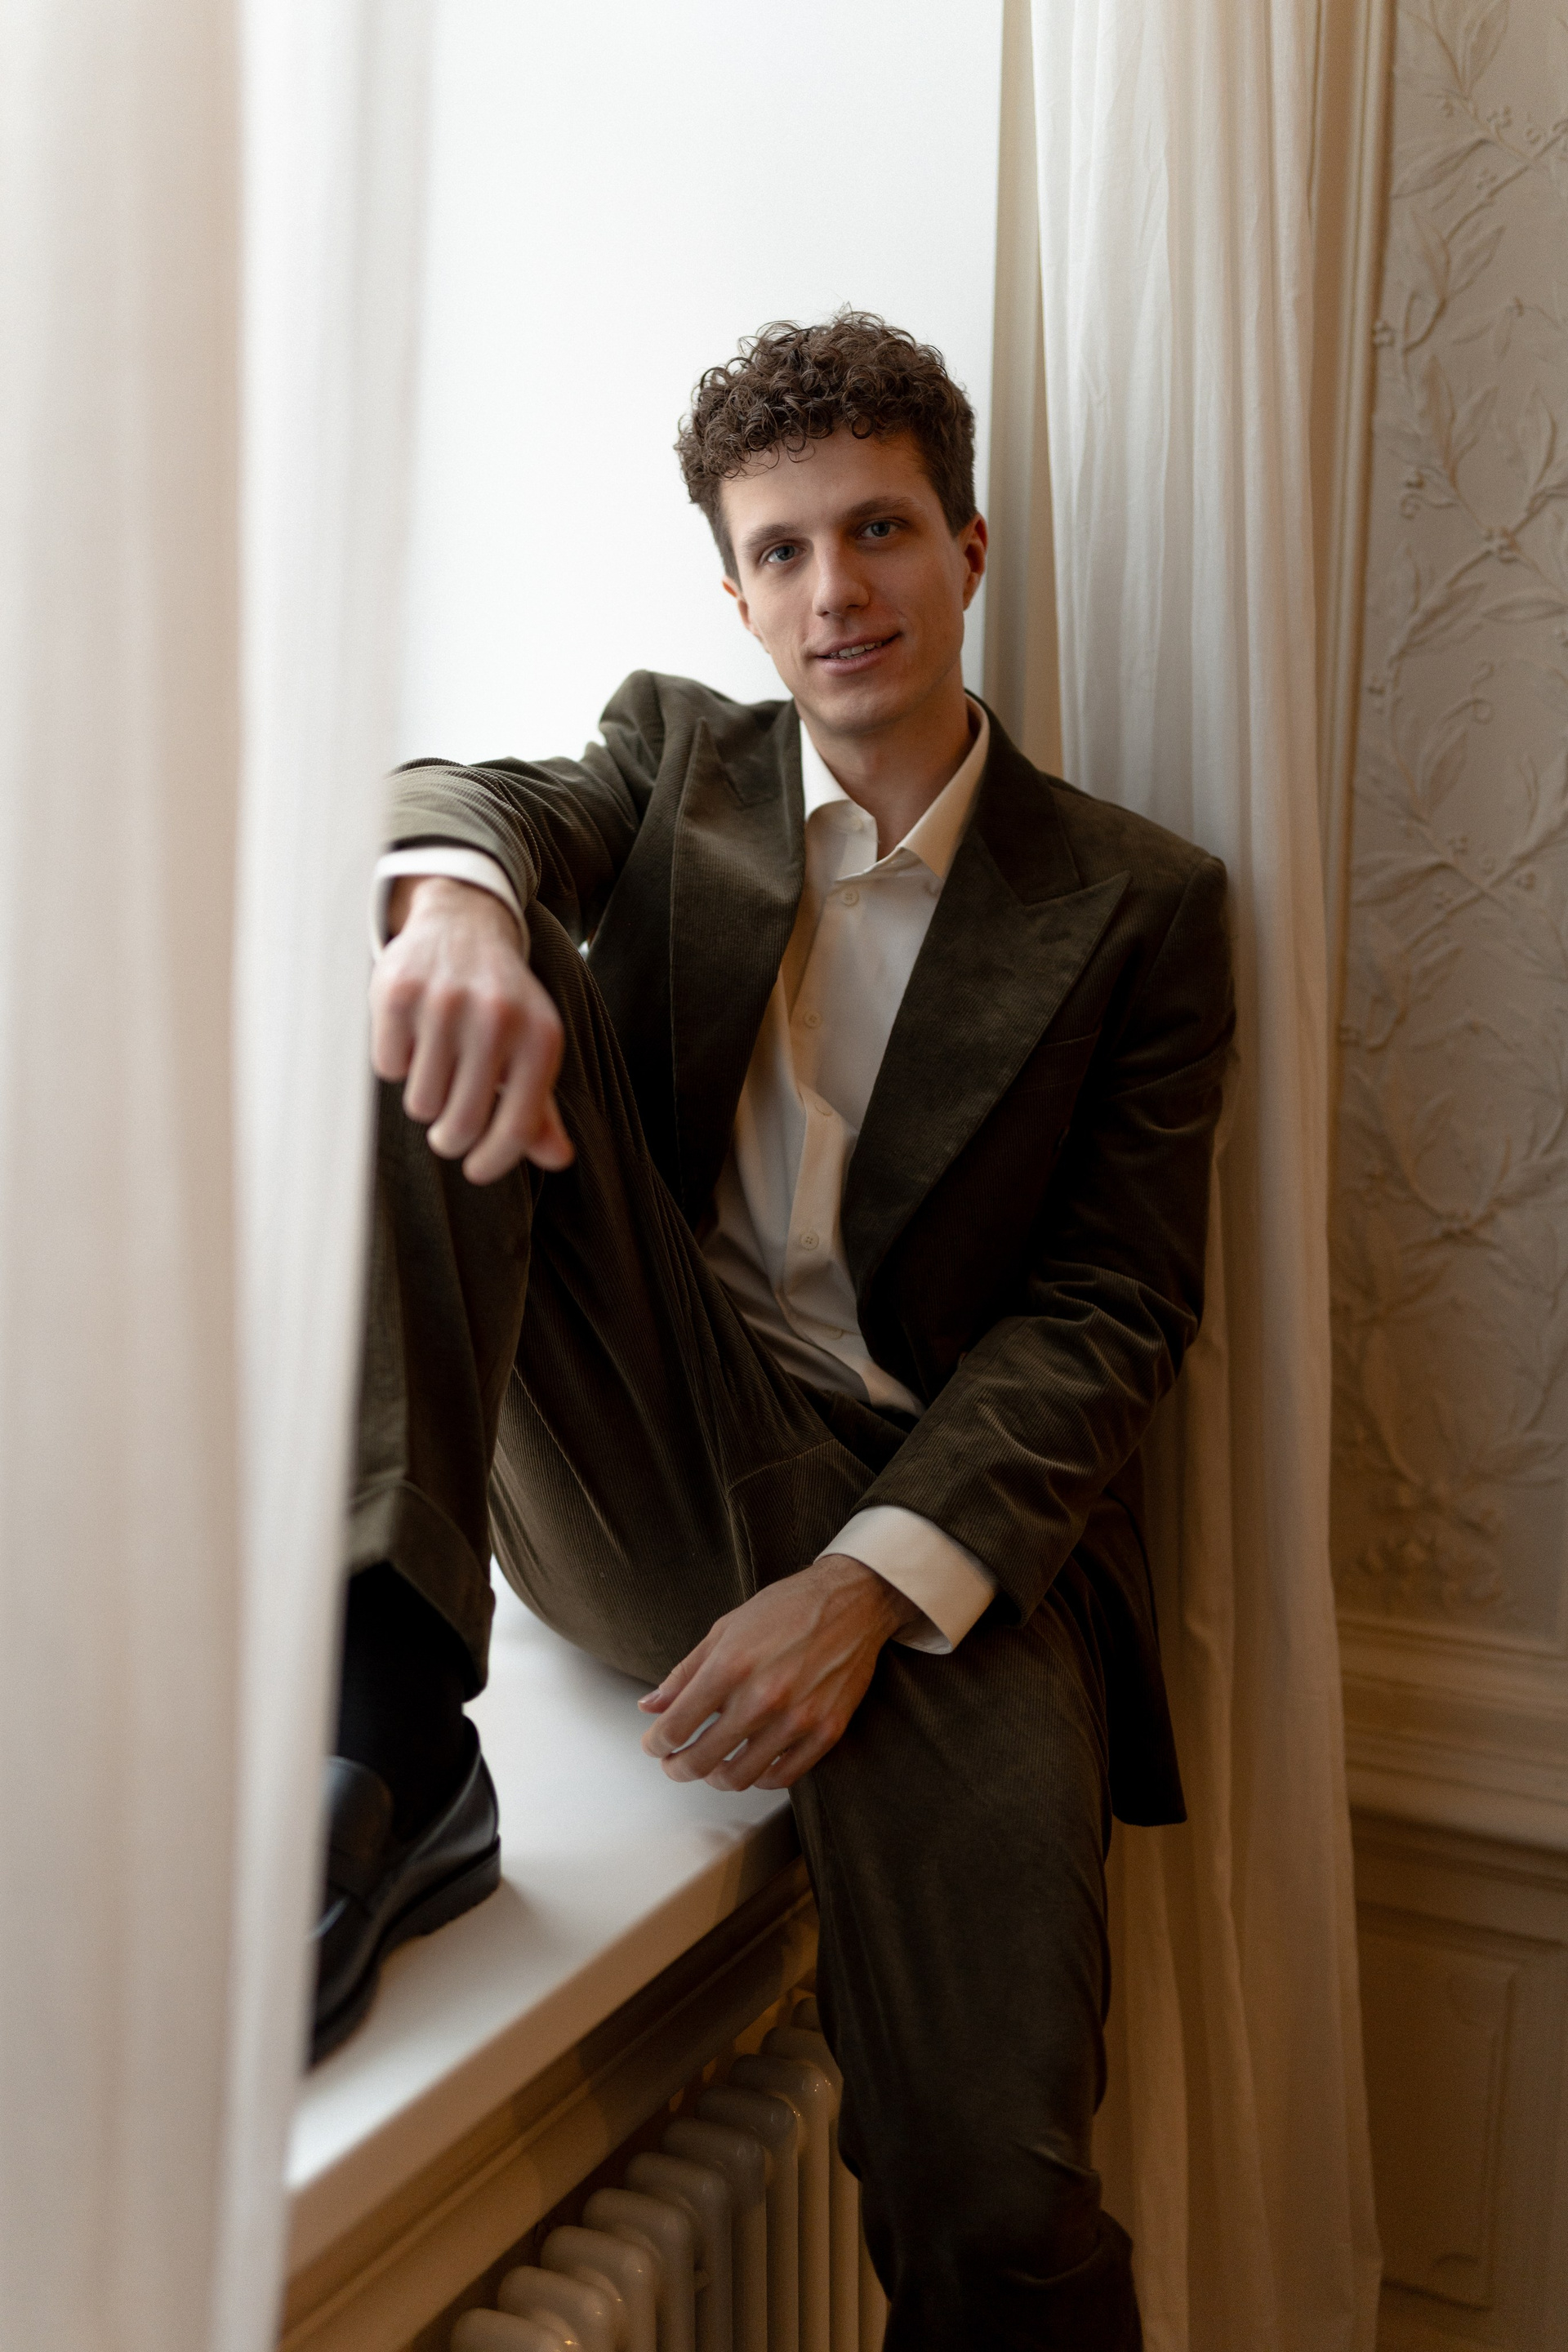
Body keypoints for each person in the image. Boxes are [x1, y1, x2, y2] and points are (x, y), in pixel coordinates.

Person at [314, 310, 1232, 2350]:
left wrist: (862, 1589)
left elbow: (1113, 1304)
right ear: (736, 592)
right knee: (442, 967)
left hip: (932, 1533)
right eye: (785, 550)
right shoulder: (679, 764)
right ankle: (385, 1729)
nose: (839, 591)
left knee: (1001, 2200)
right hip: (651, 1438)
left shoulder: (1139, 904)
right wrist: (456, 906)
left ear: (967, 548)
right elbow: (458, 794)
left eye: (880, 529)